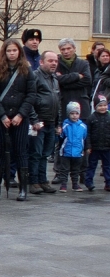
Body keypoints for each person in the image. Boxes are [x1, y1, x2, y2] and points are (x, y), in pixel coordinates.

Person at [0, 39, 37, 201]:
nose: (12, 53)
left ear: (19, 52)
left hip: (20, 118)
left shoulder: (27, 71)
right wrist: (2, 115)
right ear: (4, 52)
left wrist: (21, 114)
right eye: (9, 51)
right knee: (1, 153)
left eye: (14, 50)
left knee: (21, 152)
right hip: (2, 118)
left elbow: (31, 95)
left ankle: (23, 189)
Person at [54, 38, 92, 184]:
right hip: (63, 105)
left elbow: (87, 80)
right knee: (62, 139)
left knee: (81, 139)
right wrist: (76, 76)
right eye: (63, 49)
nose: (66, 51)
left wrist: (64, 80)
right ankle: (60, 172)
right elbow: (56, 81)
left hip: (82, 105)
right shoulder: (57, 63)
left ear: (74, 49)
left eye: (68, 48)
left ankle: (82, 172)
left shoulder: (83, 63)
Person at [28, 51, 61, 195]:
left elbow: (57, 101)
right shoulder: (35, 76)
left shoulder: (54, 79)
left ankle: (43, 180)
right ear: (42, 62)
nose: (53, 63)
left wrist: (57, 123)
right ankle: (33, 181)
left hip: (51, 122)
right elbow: (30, 100)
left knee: (45, 153)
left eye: (55, 61)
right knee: (35, 153)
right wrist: (34, 119)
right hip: (38, 122)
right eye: (50, 60)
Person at [58, 102, 88, 192]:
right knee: (64, 169)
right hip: (66, 151)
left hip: (78, 152)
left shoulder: (83, 126)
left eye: (76, 113)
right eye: (72, 113)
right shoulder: (65, 125)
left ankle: (75, 184)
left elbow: (84, 138)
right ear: (68, 114)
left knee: (76, 169)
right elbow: (61, 138)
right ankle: (63, 184)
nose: (74, 116)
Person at [85, 95, 110, 191]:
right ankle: (89, 182)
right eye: (100, 106)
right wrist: (88, 146)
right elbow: (88, 133)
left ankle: (108, 183)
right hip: (94, 147)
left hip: (107, 147)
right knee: (92, 165)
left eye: (105, 105)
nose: (103, 107)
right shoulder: (91, 118)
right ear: (95, 107)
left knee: (107, 166)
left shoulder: (109, 117)